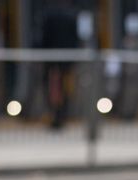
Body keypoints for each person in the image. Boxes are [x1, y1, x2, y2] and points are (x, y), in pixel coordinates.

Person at [39, 1, 80, 130]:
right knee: (64, 88)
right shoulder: (72, 14)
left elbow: (43, 37)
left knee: (52, 89)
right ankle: (63, 115)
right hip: (67, 59)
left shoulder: (47, 14)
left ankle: (54, 115)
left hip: (51, 59)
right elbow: (76, 38)